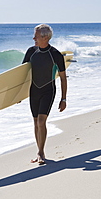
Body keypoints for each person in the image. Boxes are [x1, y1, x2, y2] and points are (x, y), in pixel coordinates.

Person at [22, 24, 67, 165]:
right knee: (36, 122)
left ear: (45, 37)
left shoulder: (55, 54)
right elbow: (22, 75)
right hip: (33, 90)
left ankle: (41, 153)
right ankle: (39, 150)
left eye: (36, 35)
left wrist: (63, 98)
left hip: (48, 90)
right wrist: (17, 95)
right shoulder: (31, 52)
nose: (33, 38)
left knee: (41, 121)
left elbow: (63, 77)